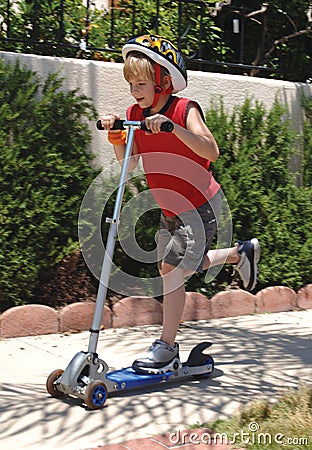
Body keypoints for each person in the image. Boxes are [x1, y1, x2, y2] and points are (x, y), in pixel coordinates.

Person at [99, 34, 260, 375]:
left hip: (200, 202)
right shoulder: (134, 114)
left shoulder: (184, 109)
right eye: (131, 84)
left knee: (171, 272)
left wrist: (173, 129)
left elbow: (210, 151)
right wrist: (118, 137)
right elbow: (129, 166)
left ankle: (167, 347)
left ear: (165, 82)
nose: (135, 91)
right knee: (180, 265)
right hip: (170, 208)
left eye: (141, 83)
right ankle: (238, 253)